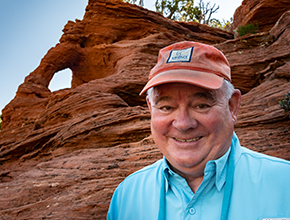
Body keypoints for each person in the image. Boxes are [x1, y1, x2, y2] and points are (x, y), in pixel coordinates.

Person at [107, 41, 290, 220]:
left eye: (201, 105)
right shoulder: (126, 197)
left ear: (232, 106)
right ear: (150, 108)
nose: (183, 124)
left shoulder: (284, 184)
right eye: (166, 107)